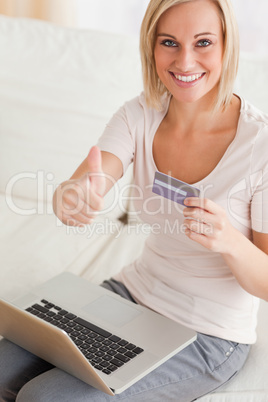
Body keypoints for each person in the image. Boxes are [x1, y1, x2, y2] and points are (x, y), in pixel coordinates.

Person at [1, 0, 268, 400]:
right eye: (169, 42)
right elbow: (88, 181)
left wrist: (228, 241)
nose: (185, 60)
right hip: (131, 295)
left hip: (208, 334)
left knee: (43, 397)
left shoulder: (259, 147)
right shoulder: (140, 114)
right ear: (151, 47)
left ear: (227, 46)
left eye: (203, 42)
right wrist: (72, 197)